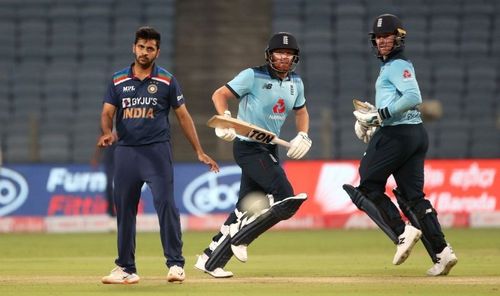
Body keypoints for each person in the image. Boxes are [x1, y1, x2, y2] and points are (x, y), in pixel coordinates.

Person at [99, 26, 219, 284]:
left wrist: (199, 150)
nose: (144, 52)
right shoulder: (118, 80)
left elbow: (184, 117)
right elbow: (107, 112)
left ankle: (176, 265)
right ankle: (126, 269)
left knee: (166, 205)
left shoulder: (167, 80)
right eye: (141, 47)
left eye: (150, 48)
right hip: (126, 154)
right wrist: (108, 132)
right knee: (125, 211)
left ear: (157, 51)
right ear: (134, 47)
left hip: (156, 153)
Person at [344, 14, 458, 276]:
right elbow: (400, 101)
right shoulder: (392, 66)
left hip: (397, 134)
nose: (383, 40)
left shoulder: (397, 65)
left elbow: (413, 96)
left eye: (388, 36)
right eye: (379, 37)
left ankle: (402, 232)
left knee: (367, 186)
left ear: (399, 37)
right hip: (414, 134)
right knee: (413, 197)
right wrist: (375, 115)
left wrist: (381, 116)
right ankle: (442, 253)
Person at [194, 32, 312, 278]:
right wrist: (226, 118)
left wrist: (303, 134)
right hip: (248, 147)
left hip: (270, 147)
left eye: (289, 54)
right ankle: (242, 238)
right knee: (284, 195)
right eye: (279, 52)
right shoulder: (252, 75)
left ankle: (209, 258)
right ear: (270, 55)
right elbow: (219, 95)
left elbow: (301, 112)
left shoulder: (296, 83)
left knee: (243, 210)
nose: (283, 58)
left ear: (295, 58)